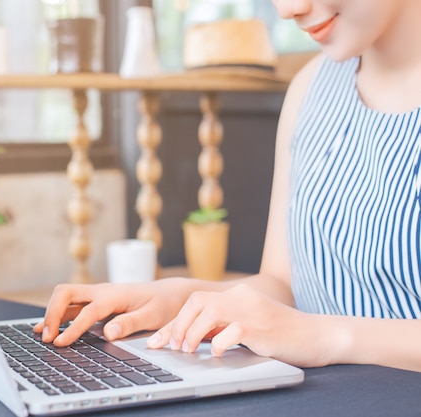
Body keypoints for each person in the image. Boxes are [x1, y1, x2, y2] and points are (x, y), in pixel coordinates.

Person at [35, 0, 421, 372]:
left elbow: (306, 328)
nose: (287, 9)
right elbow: (283, 285)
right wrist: (174, 298)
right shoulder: (311, 89)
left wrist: (323, 337)